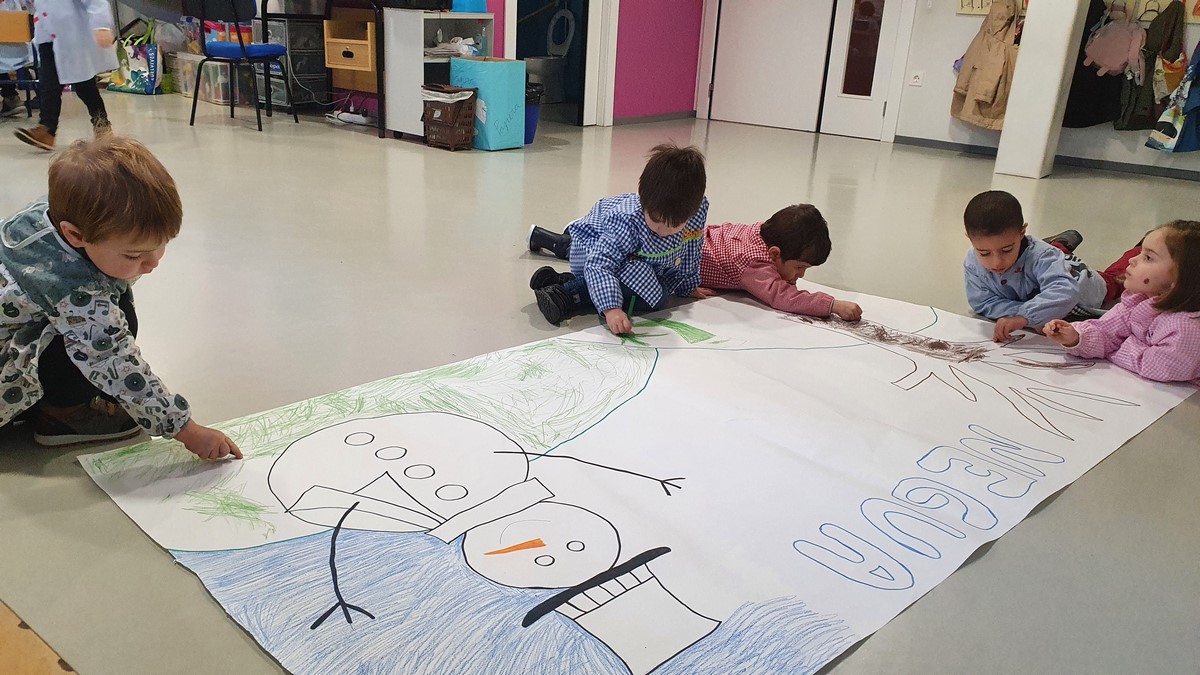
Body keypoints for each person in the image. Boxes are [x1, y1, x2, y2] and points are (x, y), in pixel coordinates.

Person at [0, 135, 241, 459]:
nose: (153, 263)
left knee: (111, 305)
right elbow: (113, 358)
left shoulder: (51, 215)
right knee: (109, 324)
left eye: (161, 245)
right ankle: (62, 415)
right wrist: (186, 430)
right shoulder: (72, 288)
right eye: (134, 255)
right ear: (75, 234)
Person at [530, 143, 712, 335]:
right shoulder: (628, 221)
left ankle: (560, 280)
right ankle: (566, 294)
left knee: (656, 284)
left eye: (675, 225)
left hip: (629, 255)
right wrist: (611, 309)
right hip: (592, 248)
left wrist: (688, 285)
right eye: (656, 221)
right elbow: (599, 264)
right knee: (656, 297)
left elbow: (692, 247)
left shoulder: (696, 211)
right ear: (644, 200)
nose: (663, 231)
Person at [1043, 220, 1200, 384]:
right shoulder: (1137, 299)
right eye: (1140, 252)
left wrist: (1115, 346)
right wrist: (1076, 337)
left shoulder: (1185, 326)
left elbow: (1156, 367)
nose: (1132, 259)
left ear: (1180, 279)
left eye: (1148, 257)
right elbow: (1105, 332)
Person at [962, 190, 1107, 342]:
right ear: (969, 238)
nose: (996, 262)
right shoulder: (972, 261)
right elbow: (983, 302)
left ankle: (1060, 244)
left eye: (1007, 250)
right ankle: (1059, 243)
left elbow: (1065, 291)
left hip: (1085, 281)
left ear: (1022, 232)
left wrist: (1026, 317)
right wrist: (1031, 317)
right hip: (1046, 262)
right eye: (984, 253)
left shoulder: (1043, 256)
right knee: (1052, 254)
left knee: (1115, 277)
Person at [699, 204, 861, 320]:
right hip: (687, 259)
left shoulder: (765, 232)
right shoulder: (753, 262)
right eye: (799, 267)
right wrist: (832, 305)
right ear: (775, 253)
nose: (801, 275)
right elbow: (782, 297)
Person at [13, 0, 117, 150]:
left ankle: (102, 126)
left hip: (73, 38)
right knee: (48, 85)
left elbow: (96, 2)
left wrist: (102, 25)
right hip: (46, 36)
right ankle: (47, 130)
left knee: (84, 87)